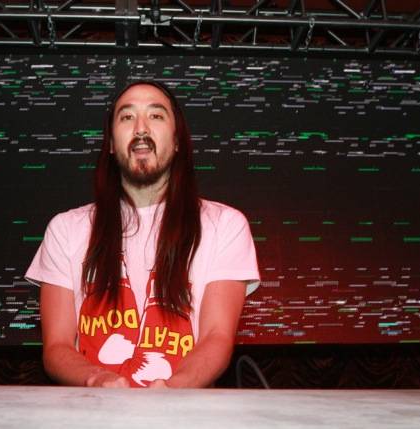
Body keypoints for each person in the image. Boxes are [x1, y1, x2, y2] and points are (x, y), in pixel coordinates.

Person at [25, 81, 259, 388]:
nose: (141, 128)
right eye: (127, 117)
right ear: (111, 144)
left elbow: (217, 336)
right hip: (93, 410)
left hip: (184, 409)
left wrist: (172, 390)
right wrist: (98, 380)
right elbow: (57, 347)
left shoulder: (225, 225)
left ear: (177, 140)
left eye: (156, 116)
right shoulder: (65, 229)